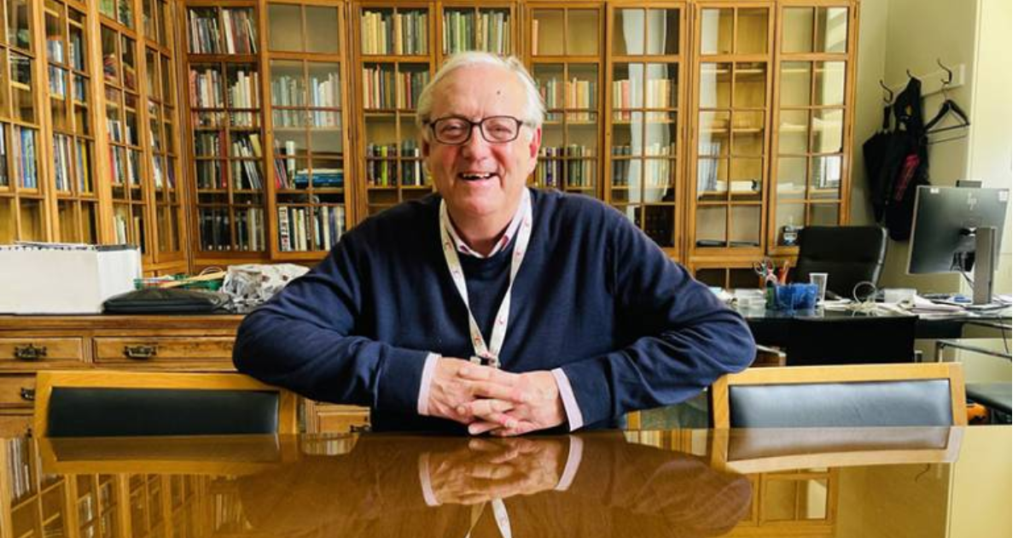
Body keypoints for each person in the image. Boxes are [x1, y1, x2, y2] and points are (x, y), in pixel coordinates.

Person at [233, 51, 755, 435]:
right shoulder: (379, 243)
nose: (476, 150)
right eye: (454, 128)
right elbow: (264, 337)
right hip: (412, 500)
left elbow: (723, 337)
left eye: (500, 129)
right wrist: (419, 379)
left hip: (578, 501)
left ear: (532, 148)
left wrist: (566, 393)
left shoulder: (596, 233)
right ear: (426, 148)